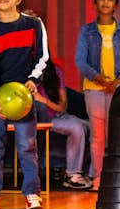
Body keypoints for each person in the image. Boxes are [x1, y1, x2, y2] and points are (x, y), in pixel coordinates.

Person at [0, 0, 49, 209]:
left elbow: (42, 57)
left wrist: (32, 80)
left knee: (27, 147)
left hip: (23, 97)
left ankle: (32, 193)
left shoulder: (33, 24)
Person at [75, 0, 120, 192]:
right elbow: (80, 61)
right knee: (98, 135)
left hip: (118, 89)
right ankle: (98, 177)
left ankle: (118, 177)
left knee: (117, 134)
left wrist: (118, 81)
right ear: (95, 4)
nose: (105, 2)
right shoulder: (87, 31)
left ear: (115, 5)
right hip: (94, 88)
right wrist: (99, 78)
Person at [34, 59, 92, 189]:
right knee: (76, 128)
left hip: (59, 115)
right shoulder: (23, 71)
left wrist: (44, 100)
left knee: (91, 127)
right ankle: (72, 176)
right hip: (43, 118)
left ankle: (87, 172)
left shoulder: (55, 70)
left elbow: (62, 106)